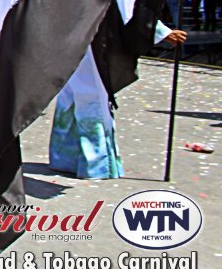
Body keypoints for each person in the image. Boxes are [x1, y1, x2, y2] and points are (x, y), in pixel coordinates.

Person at [49, 21, 187, 178]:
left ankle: (66, 157)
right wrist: (159, 31)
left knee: (73, 94)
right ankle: (95, 163)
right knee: (90, 96)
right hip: (90, 36)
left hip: (71, 34)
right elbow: (125, 5)